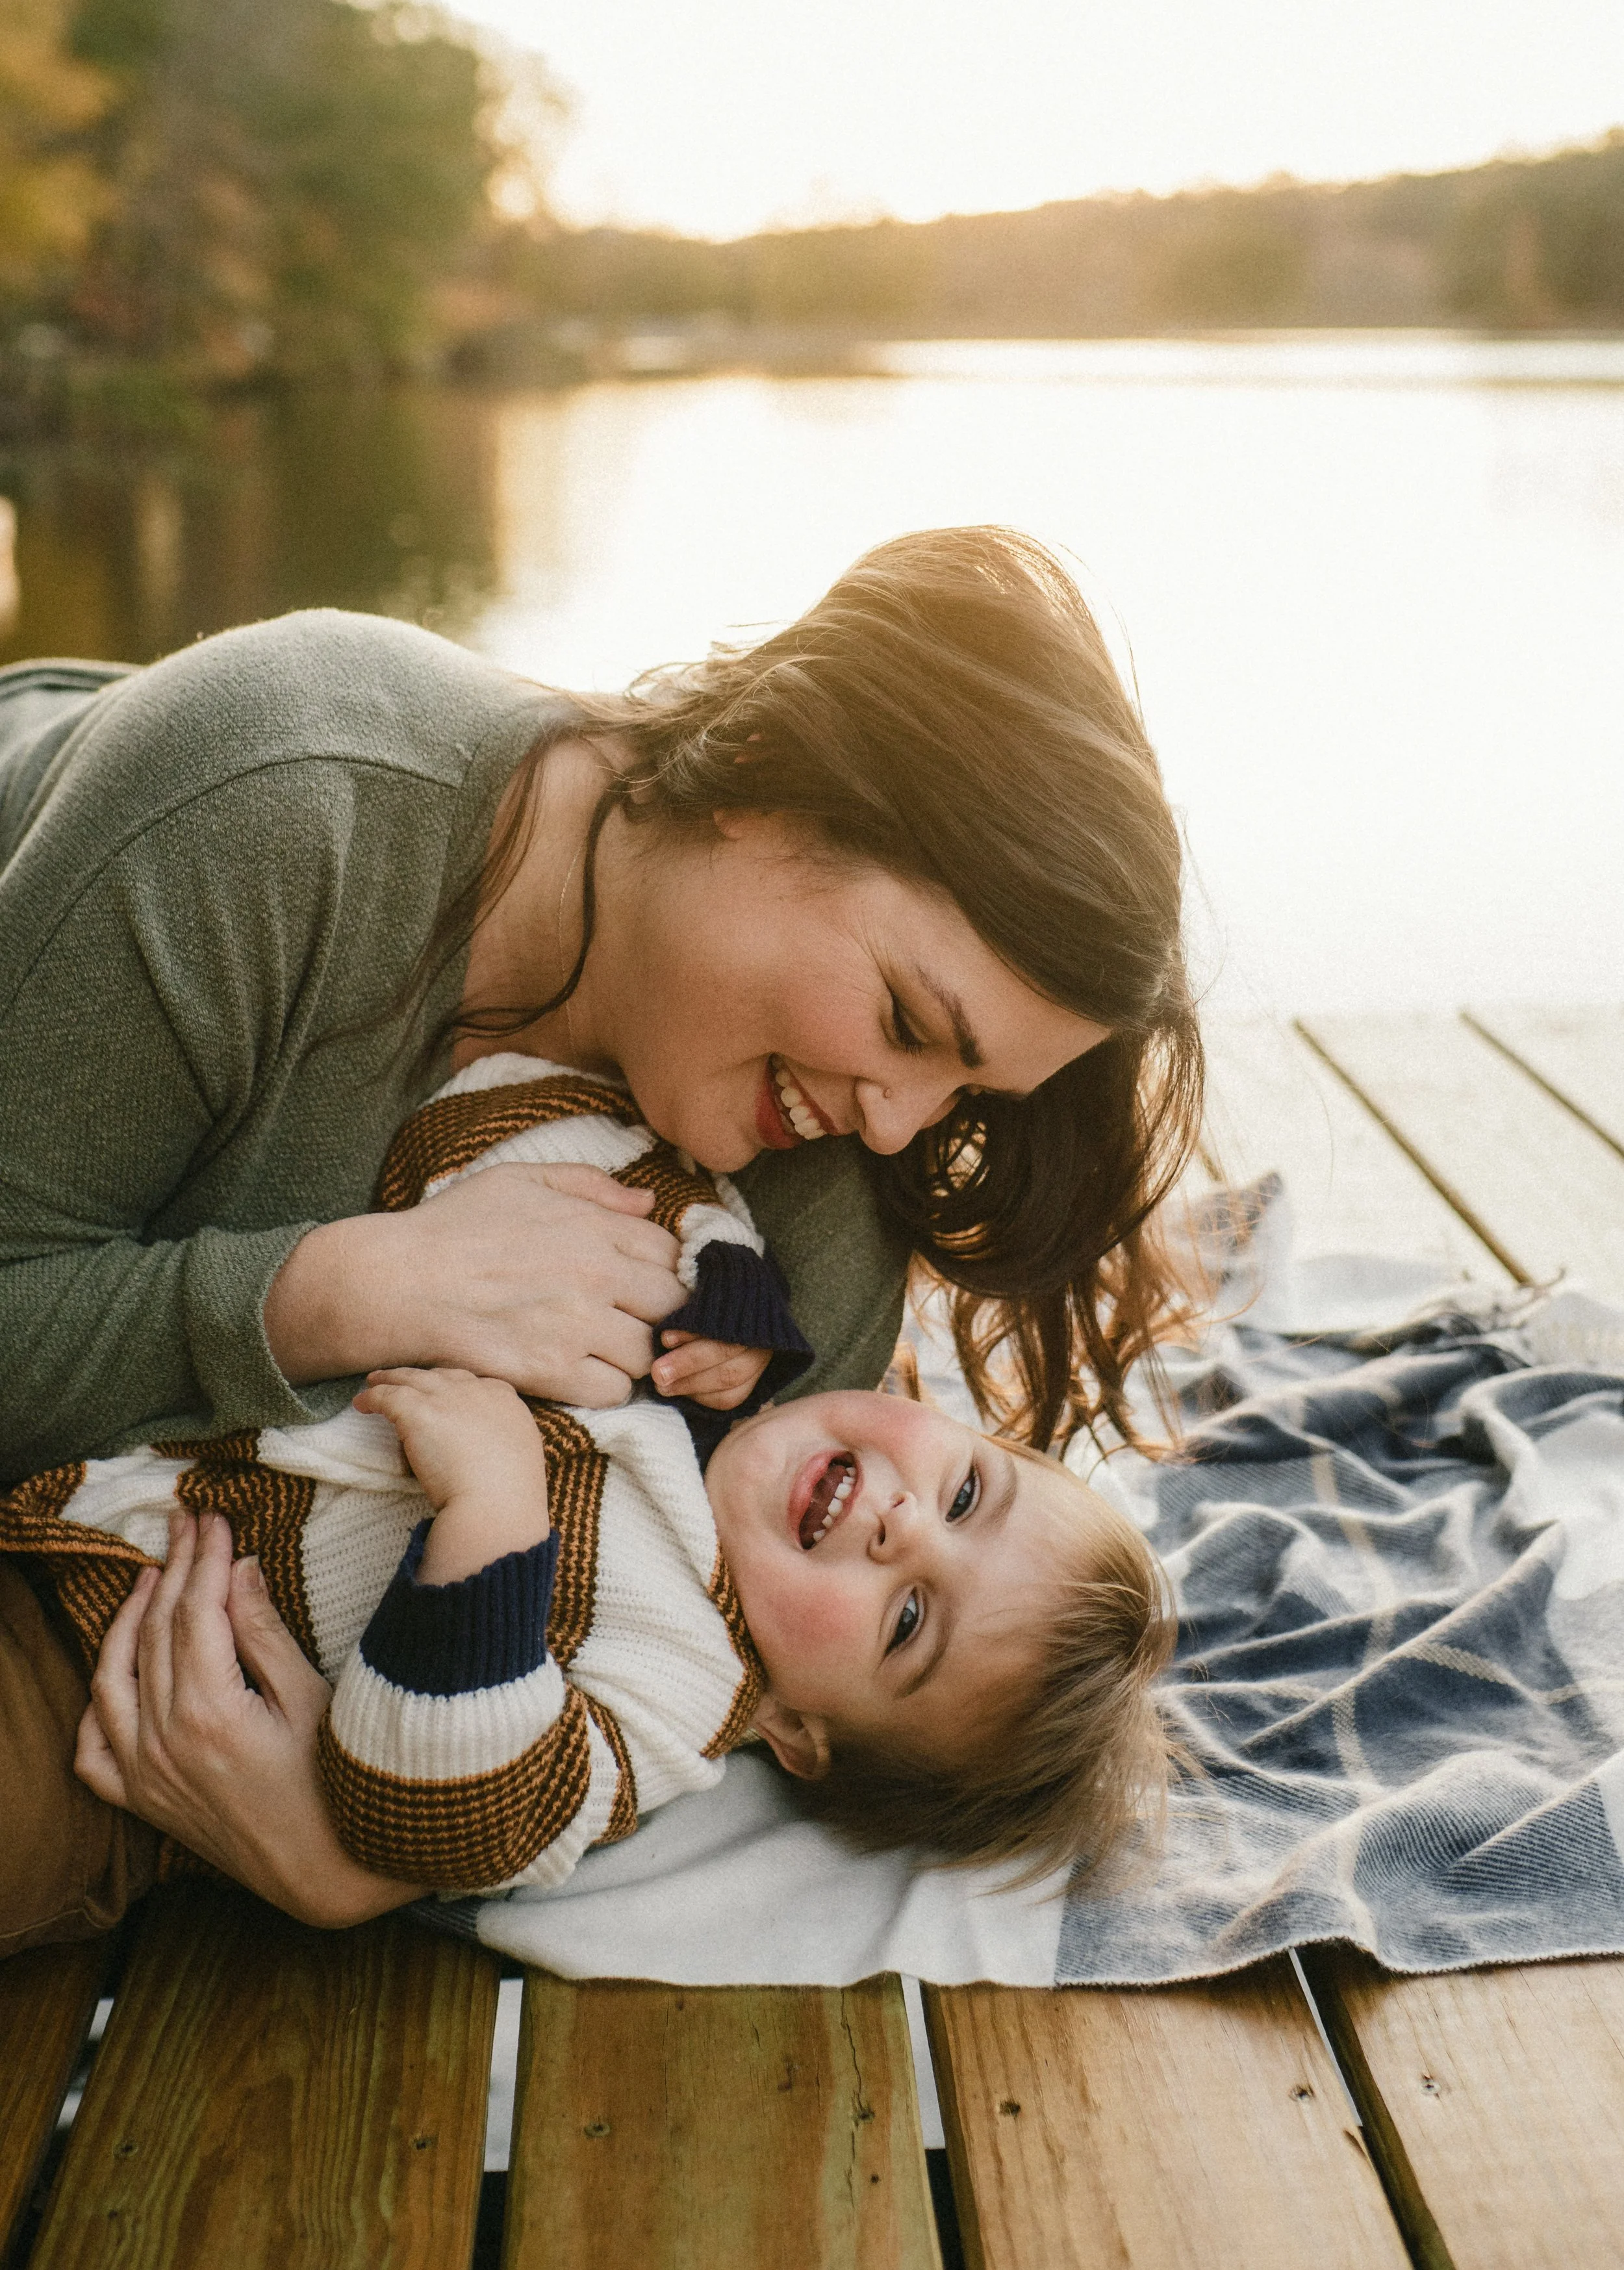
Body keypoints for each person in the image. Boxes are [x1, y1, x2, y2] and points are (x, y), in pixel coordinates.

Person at [0, 524, 1202, 1944]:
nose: (892, 1129)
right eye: (904, 1025)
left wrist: (362, 1859)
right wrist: (339, 1293)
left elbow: (692, 1652)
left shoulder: (809, 1200)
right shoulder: (275, 807)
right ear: (764, 778)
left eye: (961, 1092)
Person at [1, 1052, 1173, 1954]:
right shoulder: (693, 1333)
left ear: (798, 1733)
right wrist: (714, 1261)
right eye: (967, 1489)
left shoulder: (681, 1688)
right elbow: (516, 1111)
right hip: (113, 1453)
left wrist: (493, 1521)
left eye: (909, 1619)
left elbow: (455, 1814)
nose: (903, 1525)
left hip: (120, 1702)